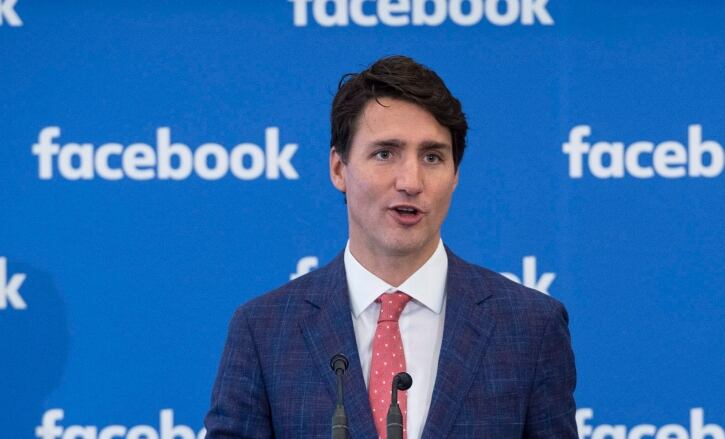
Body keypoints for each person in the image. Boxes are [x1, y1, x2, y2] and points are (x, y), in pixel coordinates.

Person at [204, 55, 577, 438]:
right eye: (385, 154)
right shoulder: (265, 331)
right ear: (338, 169)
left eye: (432, 157)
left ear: (455, 176)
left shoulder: (530, 327)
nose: (411, 181)